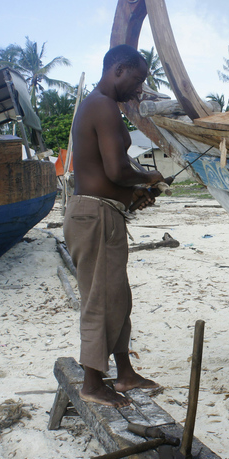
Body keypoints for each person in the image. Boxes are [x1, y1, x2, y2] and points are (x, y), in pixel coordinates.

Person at [63, 44, 165, 407]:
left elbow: (108, 177)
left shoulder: (102, 106)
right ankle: (93, 382)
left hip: (101, 212)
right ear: (118, 69)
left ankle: (124, 373)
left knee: (117, 295)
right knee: (101, 299)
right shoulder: (103, 105)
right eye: (136, 80)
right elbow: (116, 171)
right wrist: (148, 177)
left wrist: (132, 195)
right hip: (94, 216)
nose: (138, 89)